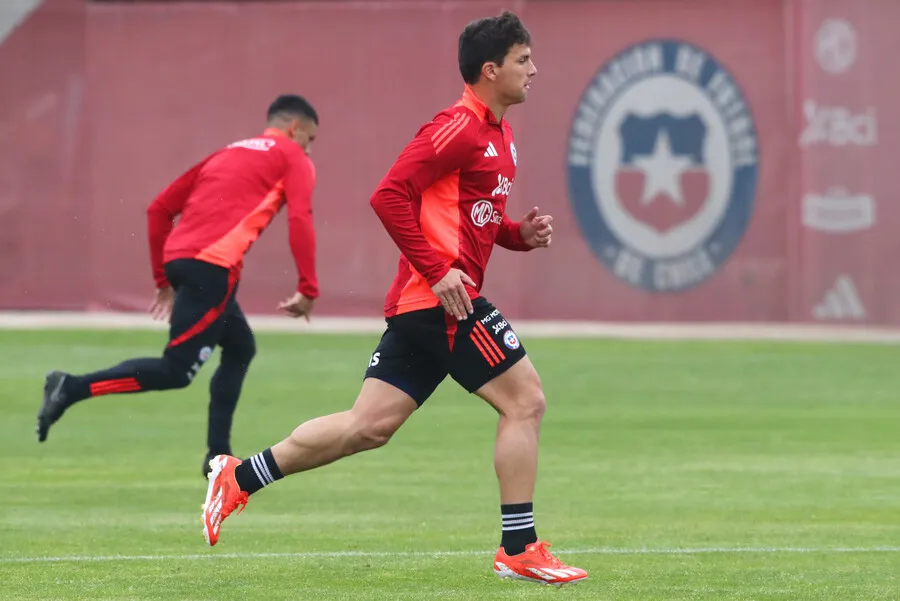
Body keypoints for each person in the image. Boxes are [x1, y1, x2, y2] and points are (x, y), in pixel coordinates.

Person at [200, 12, 587, 587]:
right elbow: (389, 196)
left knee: (367, 427)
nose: (535, 69)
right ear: (491, 69)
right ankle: (519, 547)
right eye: (524, 60)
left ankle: (240, 477)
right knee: (525, 402)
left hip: (429, 304)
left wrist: (515, 235)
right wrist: (437, 272)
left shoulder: (499, 136)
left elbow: (466, 217)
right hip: (444, 302)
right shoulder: (456, 127)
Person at [36, 94, 321, 477]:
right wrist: (308, 288)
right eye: (310, 138)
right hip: (213, 267)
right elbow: (300, 217)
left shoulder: (225, 154)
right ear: (294, 128)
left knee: (239, 347)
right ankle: (71, 387)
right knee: (177, 371)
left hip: (183, 262)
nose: (309, 147)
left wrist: (162, 280)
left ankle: (217, 456)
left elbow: (159, 210)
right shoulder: (293, 158)